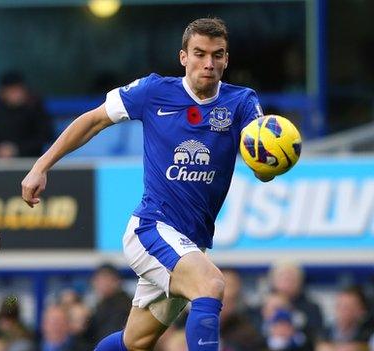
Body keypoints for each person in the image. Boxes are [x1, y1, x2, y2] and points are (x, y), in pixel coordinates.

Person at [22, 17, 270, 351]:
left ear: (227, 59)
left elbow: (262, 159)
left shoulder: (241, 102)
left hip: (192, 243)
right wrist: (41, 165)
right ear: (183, 57)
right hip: (151, 229)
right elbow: (93, 121)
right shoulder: (153, 91)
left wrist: (269, 164)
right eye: (199, 53)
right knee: (211, 283)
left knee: (135, 341)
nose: (208, 63)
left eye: (217, 54)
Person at [0, 72, 54, 158]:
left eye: (17, 90)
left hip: (33, 160)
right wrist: (0, 149)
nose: (15, 95)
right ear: (3, 93)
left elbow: (45, 137)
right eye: (11, 91)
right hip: (2, 161)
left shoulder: (35, 108)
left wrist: (17, 149)